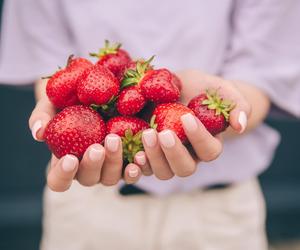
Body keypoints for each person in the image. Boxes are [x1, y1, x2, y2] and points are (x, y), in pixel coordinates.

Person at [0, 0, 300, 249]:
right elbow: (52, 71)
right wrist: (66, 109)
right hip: (88, 208)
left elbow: (259, 77)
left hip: (219, 214)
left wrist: (227, 109)